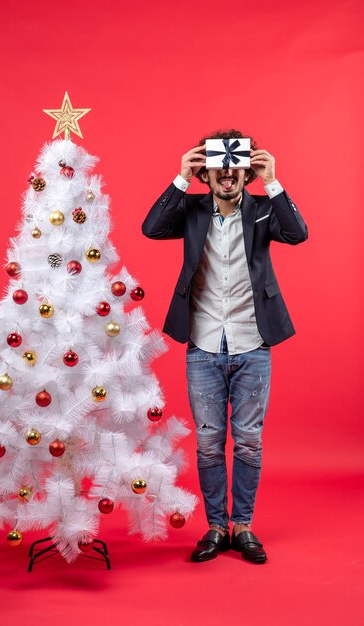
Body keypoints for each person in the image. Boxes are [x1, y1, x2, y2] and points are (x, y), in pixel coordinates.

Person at [142, 129, 308, 564]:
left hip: (253, 341)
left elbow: (298, 233)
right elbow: (151, 228)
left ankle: (243, 526)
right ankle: (216, 527)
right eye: (219, 165)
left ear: (246, 171)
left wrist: (274, 181)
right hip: (203, 344)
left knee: (249, 441)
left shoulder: (262, 210)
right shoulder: (193, 209)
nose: (228, 173)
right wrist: (181, 176)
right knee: (210, 441)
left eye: (236, 166)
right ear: (208, 172)